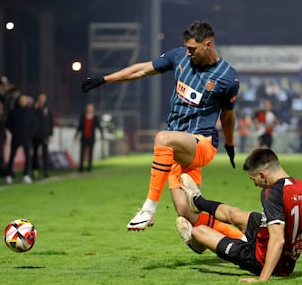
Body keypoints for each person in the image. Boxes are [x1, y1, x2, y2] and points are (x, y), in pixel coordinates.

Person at [81, 21, 241, 239]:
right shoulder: (179, 57)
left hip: (201, 144)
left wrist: (229, 144)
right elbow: (141, 70)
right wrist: (104, 79)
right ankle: (239, 237)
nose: (188, 53)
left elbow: (228, 115)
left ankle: (149, 208)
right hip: (177, 150)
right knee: (186, 213)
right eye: (187, 48)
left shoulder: (227, 77)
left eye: (192, 49)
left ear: (208, 45)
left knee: (162, 138)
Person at [176, 148, 302, 282]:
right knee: (235, 214)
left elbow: (278, 239)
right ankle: (197, 201)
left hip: (262, 259)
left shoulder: (271, 193)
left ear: (263, 175)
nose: (255, 184)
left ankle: (195, 242)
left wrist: (262, 279)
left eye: (254, 180)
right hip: (270, 243)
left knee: (200, 230)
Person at [5, 94, 36, 184]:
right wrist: (14, 132)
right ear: (18, 101)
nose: (24, 101)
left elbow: (34, 124)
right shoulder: (13, 111)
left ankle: (26, 175)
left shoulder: (30, 111)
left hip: (27, 137)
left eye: (25, 100)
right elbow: (8, 124)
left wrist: (30, 134)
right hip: (16, 137)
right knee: (12, 156)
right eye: (22, 99)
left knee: (28, 157)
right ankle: (9, 175)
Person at [74, 103, 104, 173]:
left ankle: (89, 167)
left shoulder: (95, 118)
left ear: (93, 109)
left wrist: (102, 137)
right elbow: (79, 128)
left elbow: (99, 128)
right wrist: (76, 136)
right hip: (84, 138)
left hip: (91, 138)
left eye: (91, 108)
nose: (89, 109)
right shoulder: (83, 117)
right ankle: (81, 168)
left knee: (90, 153)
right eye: (88, 108)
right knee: (82, 153)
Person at [32, 92, 54, 178]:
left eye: (43, 98)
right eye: (40, 98)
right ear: (38, 98)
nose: (42, 99)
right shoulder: (34, 107)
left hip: (45, 135)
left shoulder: (47, 108)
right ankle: (35, 171)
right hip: (35, 135)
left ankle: (46, 171)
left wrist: (50, 133)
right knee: (35, 154)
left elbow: (51, 121)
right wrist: (35, 108)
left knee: (45, 154)